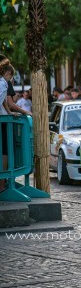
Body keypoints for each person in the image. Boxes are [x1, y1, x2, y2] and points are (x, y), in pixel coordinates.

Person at [0, 59, 17, 192]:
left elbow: (4, 101)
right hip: (2, 121)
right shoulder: (3, 83)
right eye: (10, 76)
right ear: (7, 73)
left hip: (4, 116)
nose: (10, 79)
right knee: (4, 150)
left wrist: (9, 112)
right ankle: (2, 184)